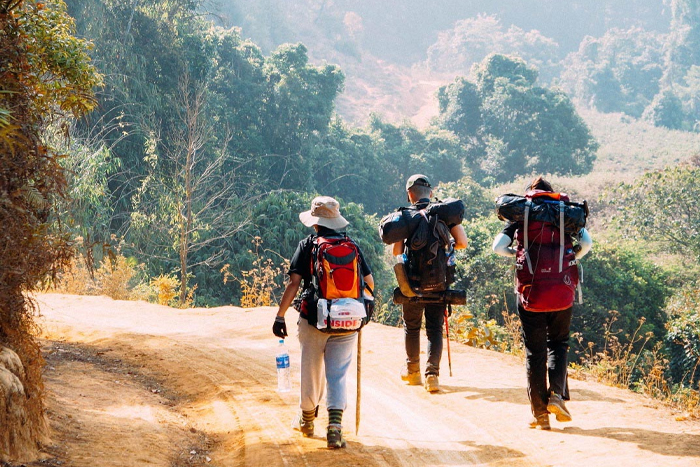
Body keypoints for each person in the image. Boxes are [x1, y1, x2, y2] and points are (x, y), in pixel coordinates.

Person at [272, 196, 374, 449]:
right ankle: (335, 430)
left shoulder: (308, 244)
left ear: (315, 223)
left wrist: (280, 315)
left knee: (311, 369)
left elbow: (294, 283)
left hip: (314, 318)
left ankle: (307, 420)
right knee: (337, 374)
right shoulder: (352, 246)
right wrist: (359, 310)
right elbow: (369, 283)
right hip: (348, 321)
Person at [492, 176, 592, 430]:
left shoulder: (522, 215)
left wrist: (517, 254)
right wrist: (574, 257)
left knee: (534, 352)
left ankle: (540, 416)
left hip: (530, 292)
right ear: (551, 193)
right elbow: (587, 243)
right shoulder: (565, 214)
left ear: (530, 196)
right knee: (558, 343)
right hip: (562, 290)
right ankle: (556, 395)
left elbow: (497, 247)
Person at [392, 174, 468, 393]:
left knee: (412, 327)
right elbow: (462, 243)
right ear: (431, 193)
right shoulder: (445, 214)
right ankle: (432, 374)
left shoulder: (405, 217)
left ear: (409, 194)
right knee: (435, 329)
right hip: (439, 282)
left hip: (412, 284)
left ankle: (413, 371)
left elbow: (397, 251)